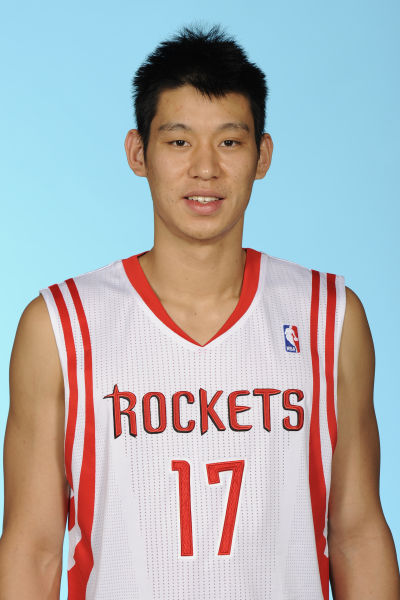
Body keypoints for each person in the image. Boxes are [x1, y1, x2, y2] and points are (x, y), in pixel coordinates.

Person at [0, 24, 399, 600]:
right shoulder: (60, 326)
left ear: (262, 155)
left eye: (230, 142)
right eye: (179, 141)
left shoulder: (329, 317)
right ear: (139, 153)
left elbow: (357, 533)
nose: (205, 169)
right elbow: (33, 548)